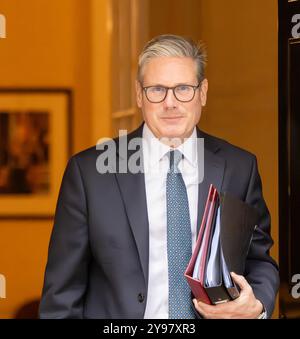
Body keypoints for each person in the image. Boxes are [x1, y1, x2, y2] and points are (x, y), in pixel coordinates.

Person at [39, 34, 279, 319]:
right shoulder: (89, 173)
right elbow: (61, 296)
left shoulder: (240, 167)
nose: (170, 102)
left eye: (183, 89)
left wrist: (257, 305)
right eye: (157, 90)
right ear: (139, 94)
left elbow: (259, 260)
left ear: (202, 92)